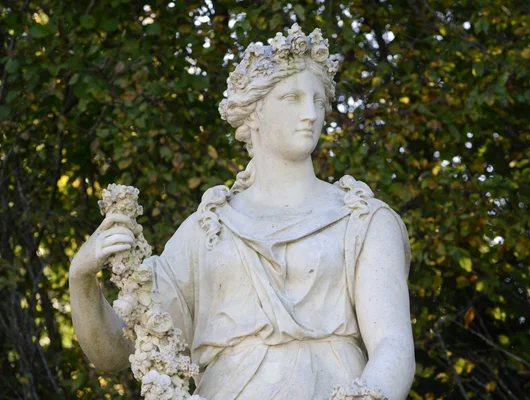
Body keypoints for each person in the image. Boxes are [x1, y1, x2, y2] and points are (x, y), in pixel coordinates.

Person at [69, 24, 415, 399]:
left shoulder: (363, 219)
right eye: (292, 98)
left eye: (318, 101)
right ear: (254, 113)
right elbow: (117, 350)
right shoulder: (206, 231)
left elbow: (393, 346)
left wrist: (369, 395)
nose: (310, 115)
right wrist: (81, 277)